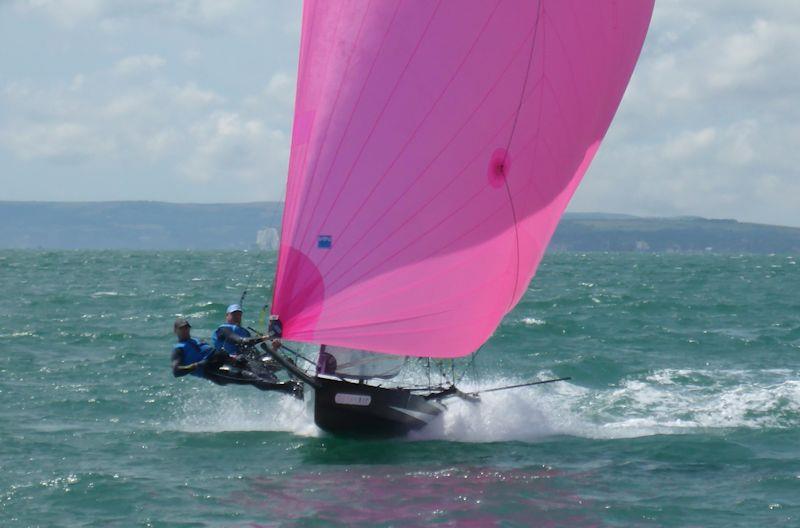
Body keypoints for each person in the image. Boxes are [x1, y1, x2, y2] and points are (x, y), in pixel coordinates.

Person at [171, 317, 300, 396]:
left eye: (187, 327)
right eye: (182, 328)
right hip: (212, 371)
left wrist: (232, 357)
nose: (185, 330)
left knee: (279, 363)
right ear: (176, 331)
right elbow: (176, 371)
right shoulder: (179, 349)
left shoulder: (195, 340)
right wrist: (196, 365)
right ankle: (289, 389)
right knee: (252, 377)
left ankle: (301, 381)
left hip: (223, 360)